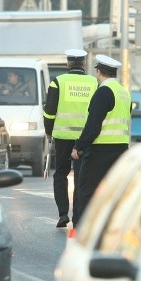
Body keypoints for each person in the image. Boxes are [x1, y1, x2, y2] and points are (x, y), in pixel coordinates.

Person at [71, 54, 131, 227]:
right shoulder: (123, 92)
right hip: (121, 150)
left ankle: (84, 228)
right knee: (113, 192)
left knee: (86, 191)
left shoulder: (103, 92)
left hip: (100, 151)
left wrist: (78, 146)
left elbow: (93, 125)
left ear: (99, 72)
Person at [43, 49, 97, 228]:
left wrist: (49, 131)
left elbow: (49, 112)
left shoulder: (58, 82)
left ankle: (63, 213)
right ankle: (78, 216)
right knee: (81, 177)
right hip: (85, 138)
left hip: (63, 137)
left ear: (68, 64)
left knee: (61, 174)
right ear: (83, 63)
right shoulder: (94, 83)